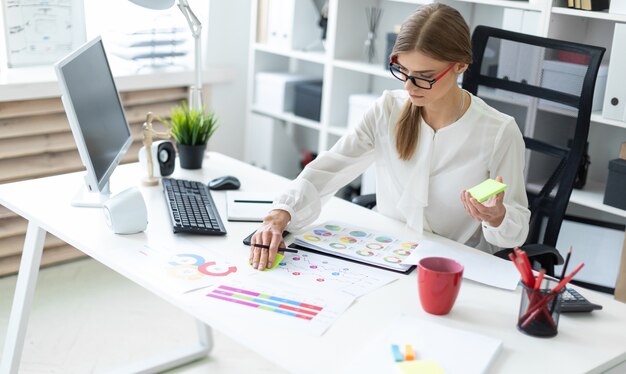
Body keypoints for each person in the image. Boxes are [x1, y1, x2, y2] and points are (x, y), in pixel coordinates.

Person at [249, 3, 530, 270]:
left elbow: (514, 233)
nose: (410, 86)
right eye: (403, 70)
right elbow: (329, 167)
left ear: (460, 65)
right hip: (389, 256)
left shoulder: (499, 132)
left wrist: (498, 218)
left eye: (424, 76)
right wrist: (280, 213)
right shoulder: (387, 109)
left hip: (454, 269)